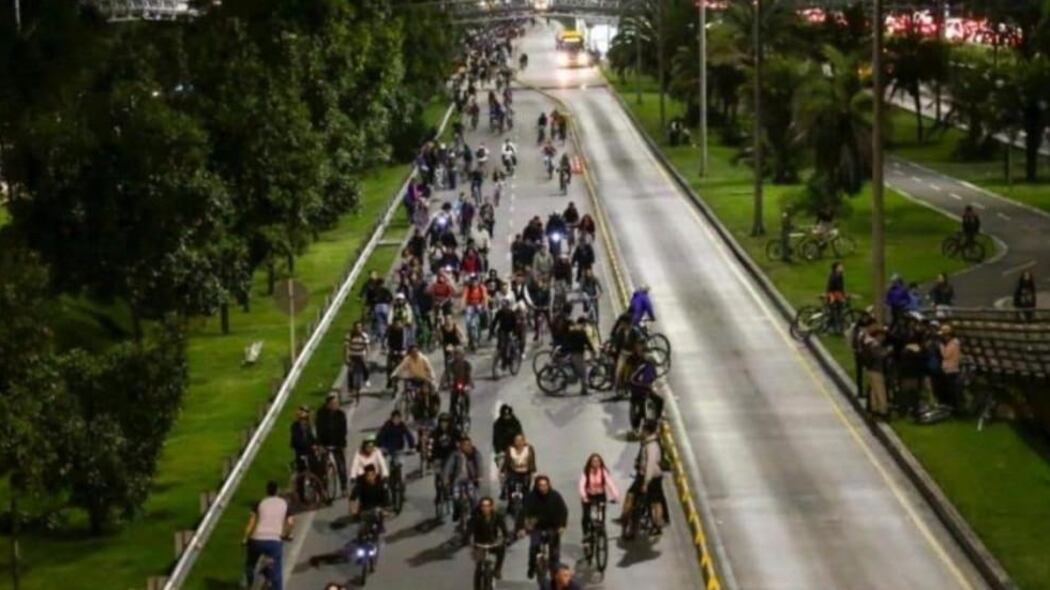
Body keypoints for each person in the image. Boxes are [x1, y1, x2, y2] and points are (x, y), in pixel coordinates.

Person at [243, 481, 293, 590]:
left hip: (257, 540)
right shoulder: (284, 504)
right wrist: (287, 535)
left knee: (250, 565)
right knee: (277, 571)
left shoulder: (260, 503)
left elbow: (251, 522)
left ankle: (250, 584)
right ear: (277, 491)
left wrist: (245, 538)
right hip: (274, 541)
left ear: (267, 491)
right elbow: (290, 523)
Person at [623, 421, 666, 536]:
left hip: (650, 477)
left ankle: (656, 523)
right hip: (649, 476)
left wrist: (646, 483)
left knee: (650, 500)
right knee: (653, 500)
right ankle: (656, 523)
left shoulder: (651, 446)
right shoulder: (648, 442)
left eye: (643, 430)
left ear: (647, 431)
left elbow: (650, 465)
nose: (641, 432)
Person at [521, 475, 569, 580]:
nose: (543, 488)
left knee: (554, 552)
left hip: (552, 527)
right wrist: (524, 528)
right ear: (537, 486)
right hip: (536, 527)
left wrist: (562, 526)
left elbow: (563, 511)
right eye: (540, 485)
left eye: (545, 485)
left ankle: (555, 571)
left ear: (548, 485)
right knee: (534, 547)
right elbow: (523, 512)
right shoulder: (531, 497)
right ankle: (532, 566)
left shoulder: (555, 496)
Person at [315, 394, 349, 495]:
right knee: (323, 466)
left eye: (337, 403)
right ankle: (323, 488)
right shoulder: (321, 414)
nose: (336, 405)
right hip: (325, 443)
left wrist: (341, 444)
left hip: (337, 443)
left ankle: (344, 487)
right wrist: (321, 445)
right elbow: (319, 429)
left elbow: (343, 430)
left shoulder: (340, 414)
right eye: (334, 403)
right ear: (328, 405)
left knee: (341, 466)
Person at [578, 453, 619, 536]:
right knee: (586, 516)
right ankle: (586, 534)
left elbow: (611, 484)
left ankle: (601, 531)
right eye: (594, 461)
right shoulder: (586, 471)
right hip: (588, 495)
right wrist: (584, 496)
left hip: (600, 496)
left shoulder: (603, 472)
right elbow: (581, 485)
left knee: (601, 516)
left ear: (600, 462)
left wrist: (615, 496)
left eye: (598, 461)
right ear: (590, 462)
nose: (596, 463)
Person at [444, 436, 483, 522]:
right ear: (460, 446)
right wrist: (446, 478)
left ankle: (474, 514)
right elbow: (448, 466)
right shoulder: (455, 454)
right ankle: (457, 511)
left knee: (474, 497)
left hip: (471, 478)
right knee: (455, 495)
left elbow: (479, 465)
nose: (466, 446)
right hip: (457, 479)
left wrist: (479, 476)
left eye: (468, 444)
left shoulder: (475, 454)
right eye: (464, 445)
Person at [472, 497, 508, 583]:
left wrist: (506, 537)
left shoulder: (497, 516)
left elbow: (503, 528)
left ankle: (497, 570)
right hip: (479, 544)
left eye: (487, 506)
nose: (485, 508)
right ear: (480, 507)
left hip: (492, 543)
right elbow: (469, 529)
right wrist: (466, 539)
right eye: (483, 506)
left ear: (491, 507)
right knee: (479, 566)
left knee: (502, 549)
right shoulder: (476, 517)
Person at [628, 346, 662, 434]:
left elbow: (653, 380)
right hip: (639, 391)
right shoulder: (645, 368)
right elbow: (634, 380)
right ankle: (638, 425)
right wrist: (645, 386)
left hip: (643, 389)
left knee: (658, 401)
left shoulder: (648, 368)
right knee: (644, 407)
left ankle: (655, 419)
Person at [861, 322, 890, 419]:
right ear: (878, 336)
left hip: (871, 370)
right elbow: (880, 356)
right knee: (880, 391)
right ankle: (883, 410)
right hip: (876, 370)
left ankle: (874, 408)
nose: (883, 337)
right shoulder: (875, 346)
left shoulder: (871, 344)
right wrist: (887, 352)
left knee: (874, 391)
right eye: (882, 335)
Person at [290, 406, 319, 499]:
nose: (303, 421)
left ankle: (318, 489)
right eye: (302, 419)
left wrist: (316, 445)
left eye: (305, 419)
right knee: (301, 472)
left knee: (316, 469)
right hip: (301, 451)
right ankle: (301, 495)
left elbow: (312, 437)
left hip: (310, 451)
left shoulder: (309, 426)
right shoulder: (295, 427)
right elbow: (296, 440)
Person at [563, 317, 596, 395]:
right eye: (585, 324)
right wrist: (593, 350)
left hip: (571, 352)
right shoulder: (581, 332)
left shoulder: (572, 329)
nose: (585, 326)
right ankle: (584, 390)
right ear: (583, 323)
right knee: (583, 373)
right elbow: (587, 342)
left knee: (578, 370)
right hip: (577, 354)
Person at [502, 433, 537, 502]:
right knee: (511, 489)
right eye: (517, 440)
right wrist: (503, 472)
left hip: (525, 473)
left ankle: (525, 506)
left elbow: (532, 461)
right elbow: (506, 461)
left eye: (521, 440)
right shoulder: (510, 449)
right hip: (513, 472)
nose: (519, 442)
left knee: (525, 490)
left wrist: (534, 472)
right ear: (514, 441)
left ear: (524, 441)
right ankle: (511, 505)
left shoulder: (529, 448)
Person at [939, 324, 963, 412]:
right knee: (950, 390)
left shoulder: (953, 343)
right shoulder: (952, 343)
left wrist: (941, 347)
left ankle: (954, 409)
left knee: (951, 391)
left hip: (951, 369)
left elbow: (945, 355)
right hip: (950, 369)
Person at [345, 322, 371, 390]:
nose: (358, 329)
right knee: (350, 371)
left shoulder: (364, 336)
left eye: (359, 327)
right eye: (356, 327)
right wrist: (347, 358)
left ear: (362, 328)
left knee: (366, 367)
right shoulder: (349, 336)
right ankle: (350, 387)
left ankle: (366, 379)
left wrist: (367, 357)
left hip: (361, 355)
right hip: (352, 355)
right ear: (354, 328)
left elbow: (367, 347)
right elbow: (347, 348)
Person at [825, 261, 847, 331]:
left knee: (838, 311)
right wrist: (838, 296)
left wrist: (844, 294)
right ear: (836, 268)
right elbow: (831, 288)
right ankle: (831, 327)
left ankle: (837, 327)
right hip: (833, 295)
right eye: (840, 266)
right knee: (834, 312)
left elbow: (841, 288)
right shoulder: (834, 276)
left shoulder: (839, 275)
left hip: (837, 295)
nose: (842, 268)